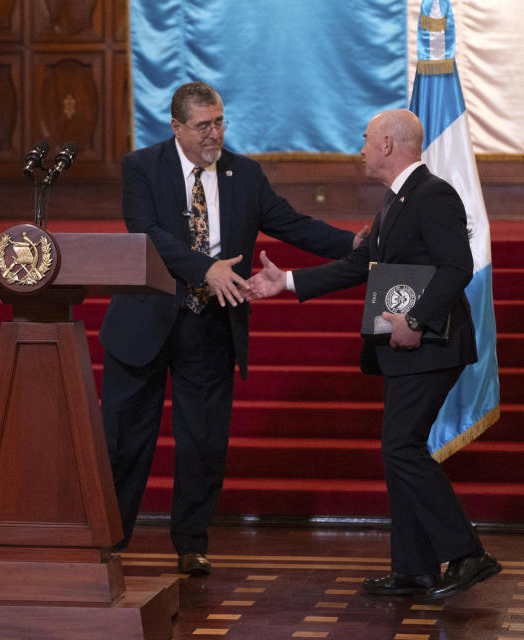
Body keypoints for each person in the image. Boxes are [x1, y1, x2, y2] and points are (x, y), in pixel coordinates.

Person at [99, 81, 367, 575]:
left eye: (220, 122)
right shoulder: (142, 167)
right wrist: (206, 267)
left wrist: (353, 245)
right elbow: (147, 234)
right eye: (203, 126)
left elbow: (291, 223)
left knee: (203, 441)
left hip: (210, 327)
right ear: (176, 127)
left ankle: (191, 544)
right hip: (146, 323)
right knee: (124, 442)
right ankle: (108, 543)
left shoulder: (243, 173)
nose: (214, 134)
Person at [246, 109, 501, 599]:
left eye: (365, 140)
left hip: (431, 346)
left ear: (387, 144)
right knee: (398, 449)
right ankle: (415, 570)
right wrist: (289, 282)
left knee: (401, 447)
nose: (359, 148)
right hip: (405, 349)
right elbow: (361, 264)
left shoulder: (433, 193)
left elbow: (457, 266)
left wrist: (417, 318)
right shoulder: (396, 200)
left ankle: (468, 554)